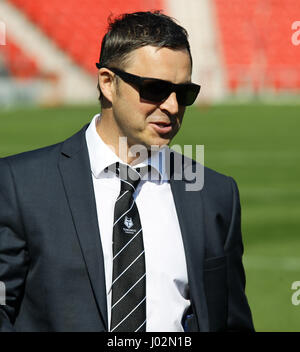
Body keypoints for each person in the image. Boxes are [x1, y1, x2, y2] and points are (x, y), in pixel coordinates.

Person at [0, 11, 254, 332]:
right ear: (108, 83)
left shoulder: (215, 194)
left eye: (184, 93)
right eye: (155, 89)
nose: (173, 107)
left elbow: (232, 321)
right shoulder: (19, 185)